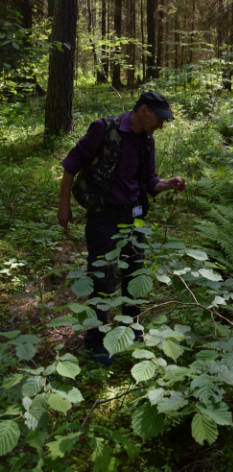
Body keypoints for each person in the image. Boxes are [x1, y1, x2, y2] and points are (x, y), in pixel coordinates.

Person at [58, 91, 186, 362]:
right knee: (101, 277)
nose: (161, 124)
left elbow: (150, 181)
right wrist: (64, 205)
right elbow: (71, 165)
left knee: (134, 276)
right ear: (142, 109)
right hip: (103, 214)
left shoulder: (147, 141)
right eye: (159, 118)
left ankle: (131, 332)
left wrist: (168, 184)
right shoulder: (104, 129)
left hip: (134, 216)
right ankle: (96, 342)